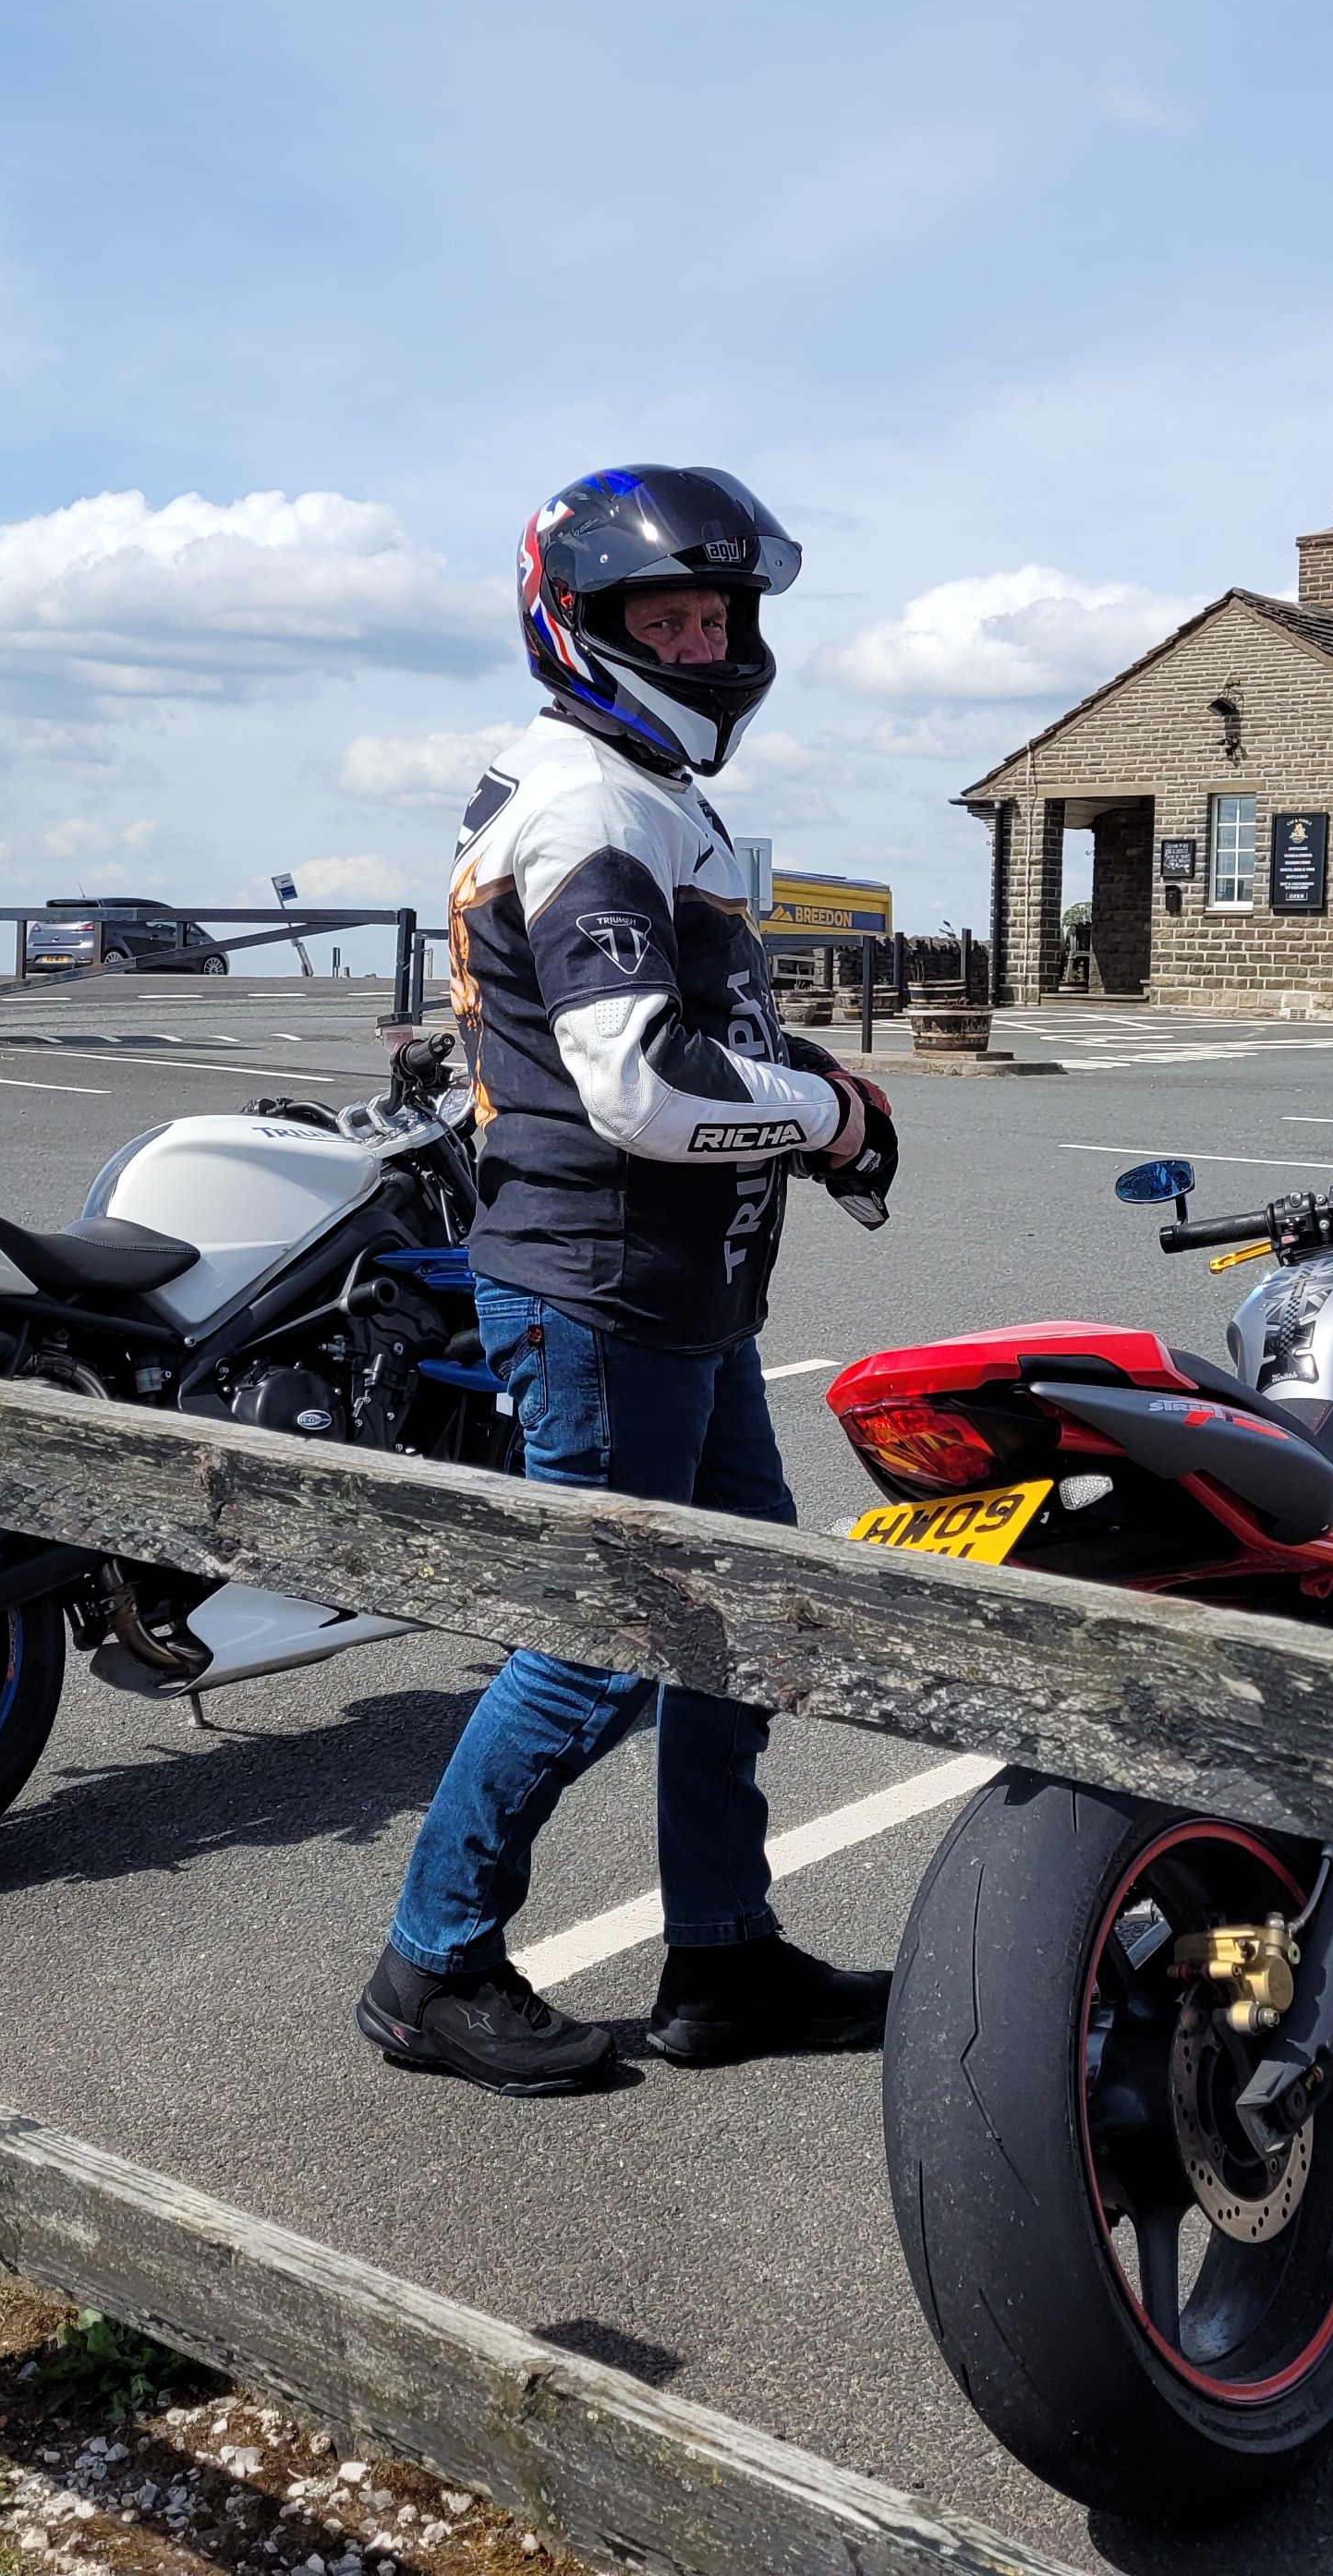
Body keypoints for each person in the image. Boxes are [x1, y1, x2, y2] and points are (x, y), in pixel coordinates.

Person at [356, 465, 904, 2096]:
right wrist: (821, 1113)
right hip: (600, 1291)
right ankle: (431, 1963)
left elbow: (692, 1038)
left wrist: (807, 1092)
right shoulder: (593, 801)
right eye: (664, 618)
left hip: (679, 1296)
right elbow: (639, 1085)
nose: (702, 644)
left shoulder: (633, 786)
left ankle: (721, 1956)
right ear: (580, 621)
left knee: (739, 1615)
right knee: (598, 1639)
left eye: (718, 616)